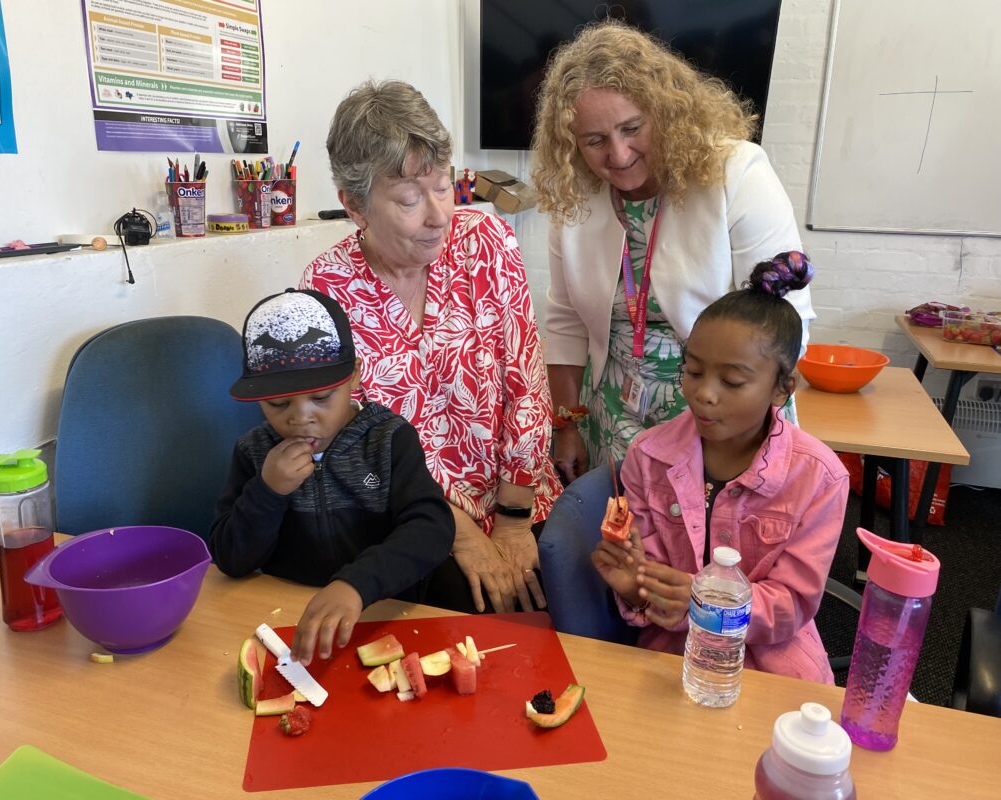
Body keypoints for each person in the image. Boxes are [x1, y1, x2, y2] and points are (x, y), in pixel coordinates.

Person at [301, 79, 561, 615]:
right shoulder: (325, 289)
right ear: (354, 205)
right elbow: (354, 442)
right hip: (415, 518)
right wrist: (459, 534)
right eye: (409, 199)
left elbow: (527, 387)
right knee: (461, 620)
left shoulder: (485, 243)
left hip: (519, 493)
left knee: (566, 590)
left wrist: (513, 523)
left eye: (443, 186)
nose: (439, 214)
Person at [531, 20, 815, 483]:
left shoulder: (737, 172)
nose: (618, 155)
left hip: (720, 410)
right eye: (594, 140)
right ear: (571, 143)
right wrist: (566, 425)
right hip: (613, 413)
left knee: (712, 547)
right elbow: (565, 323)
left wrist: (732, 415)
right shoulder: (575, 195)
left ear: (663, 111)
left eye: (632, 128)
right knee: (625, 544)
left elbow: (786, 322)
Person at [591, 254, 848, 683]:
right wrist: (634, 585)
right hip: (671, 661)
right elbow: (651, 586)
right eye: (692, 371)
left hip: (772, 664)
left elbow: (792, 602)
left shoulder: (819, 478)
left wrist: (705, 604)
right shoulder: (648, 456)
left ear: (782, 387)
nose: (704, 394)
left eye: (731, 381)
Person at [209, 288, 454, 665]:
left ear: (354, 377)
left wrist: (356, 584)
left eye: (322, 397)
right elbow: (229, 557)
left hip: (386, 614)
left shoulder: (388, 439)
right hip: (292, 622)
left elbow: (432, 528)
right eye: (278, 404)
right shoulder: (254, 452)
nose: (300, 417)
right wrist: (267, 492)